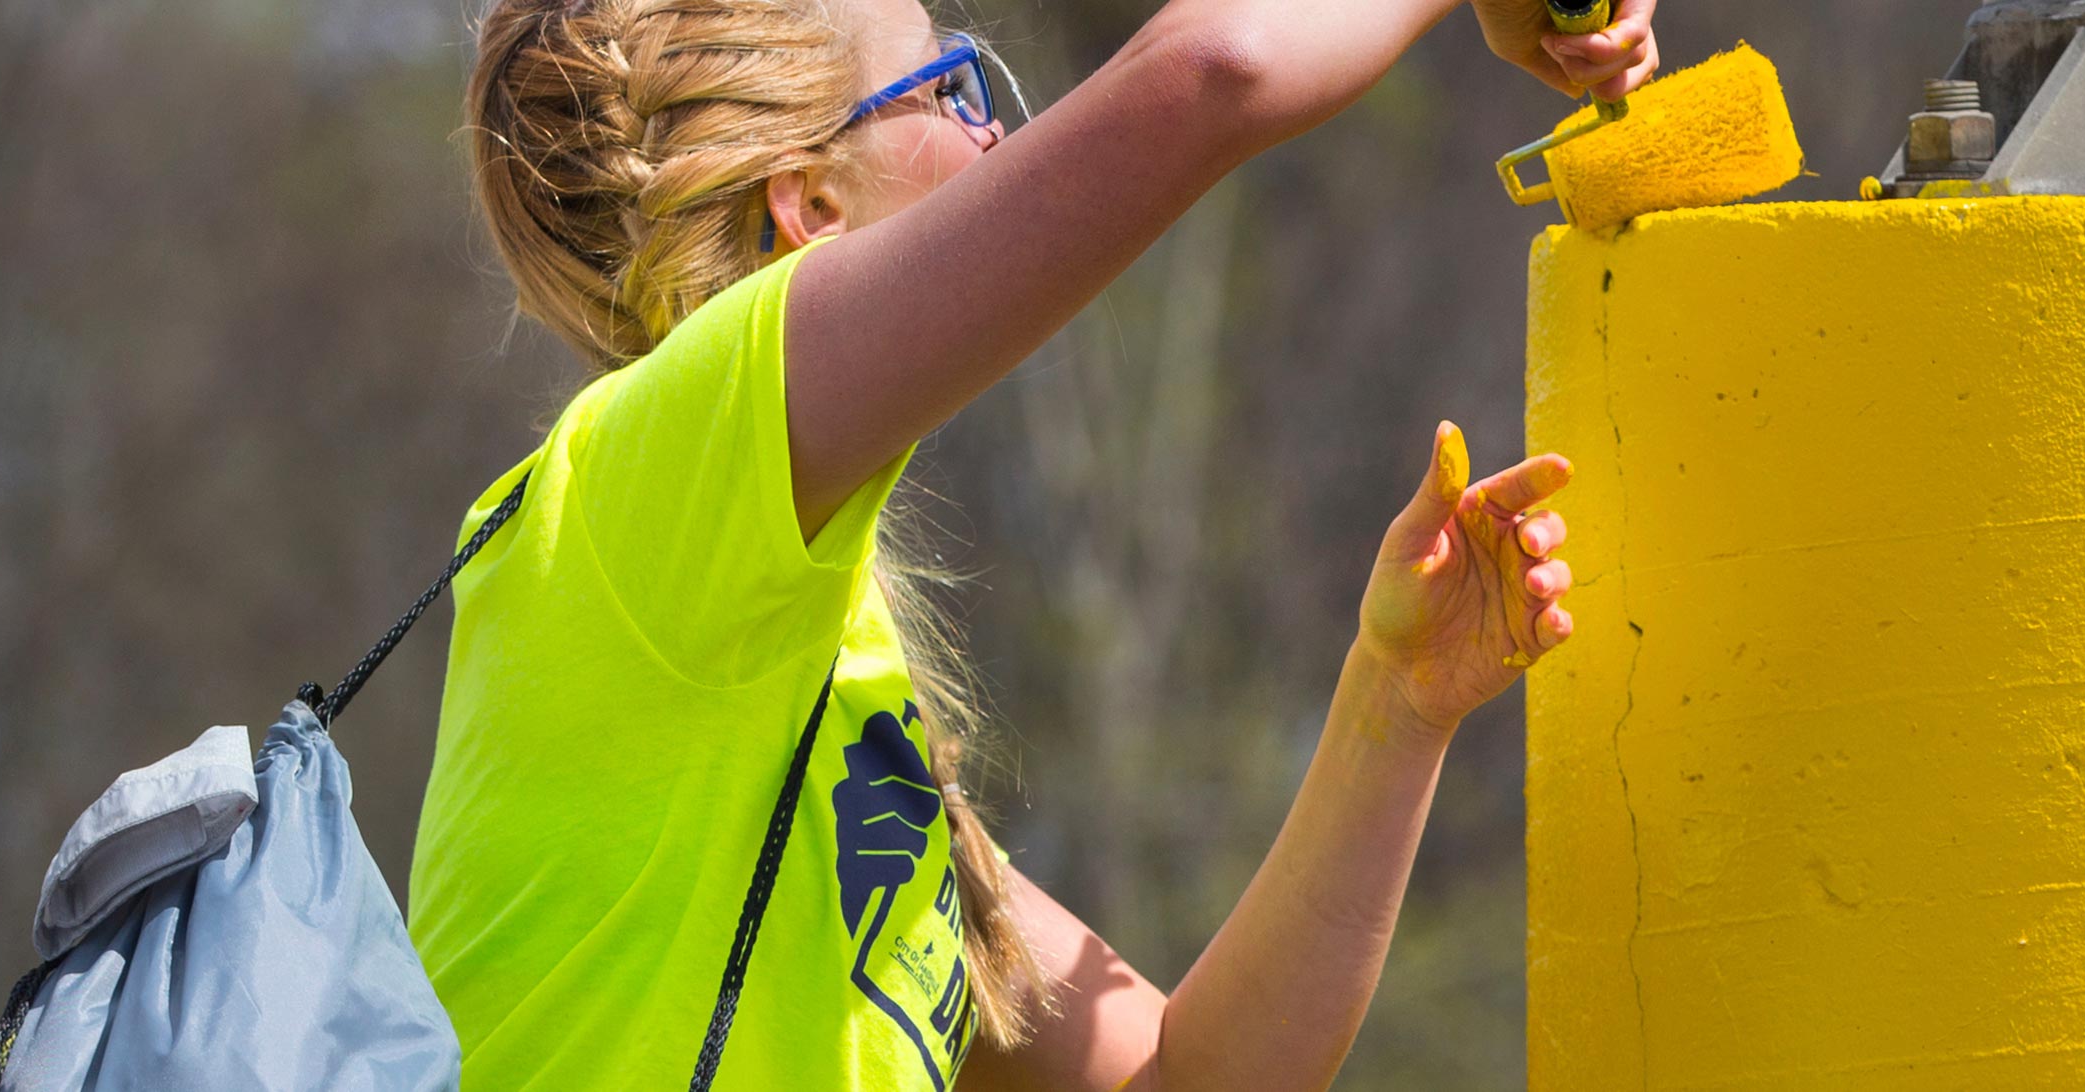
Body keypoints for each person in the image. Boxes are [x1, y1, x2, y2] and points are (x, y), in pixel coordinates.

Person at [417, 0, 1659, 1086]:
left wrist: (1397, 703)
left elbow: (1187, 1077)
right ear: (808, 205)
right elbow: (1213, 72)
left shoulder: (791, 664)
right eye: (948, 88)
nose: (999, 135)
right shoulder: (638, 476)